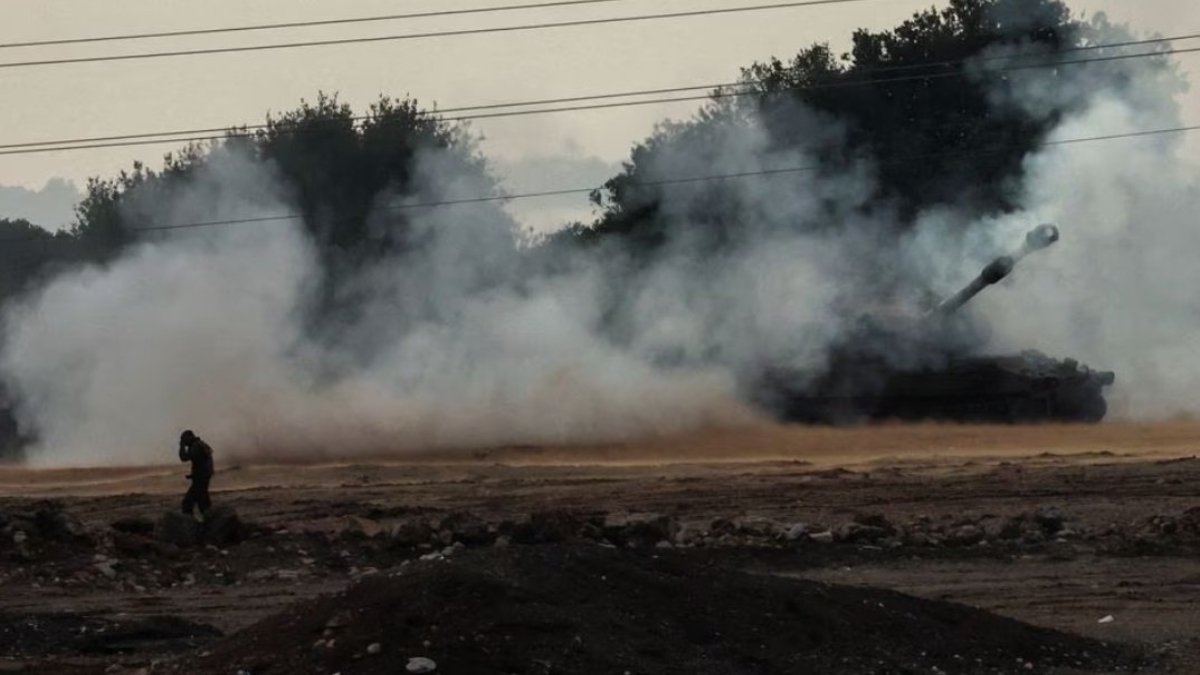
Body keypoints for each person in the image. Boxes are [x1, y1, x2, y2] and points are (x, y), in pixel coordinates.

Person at [178, 429, 214, 518]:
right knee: (204, 504)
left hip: (200, 479)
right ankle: (210, 523)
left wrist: (181, 446)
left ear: (189, 437)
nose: (184, 442)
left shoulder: (196, 446)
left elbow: (184, 458)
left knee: (188, 503)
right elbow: (202, 462)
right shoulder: (200, 444)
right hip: (203, 477)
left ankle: (190, 525)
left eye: (184, 439)